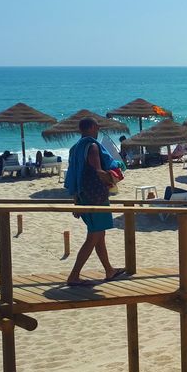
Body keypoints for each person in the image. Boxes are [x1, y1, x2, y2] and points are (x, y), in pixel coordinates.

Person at [64, 117, 126, 286]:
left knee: (99, 235)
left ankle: (109, 270)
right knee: (93, 236)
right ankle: (74, 275)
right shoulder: (92, 146)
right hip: (95, 197)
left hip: (84, 196)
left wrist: (76, 199)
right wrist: (114, 177)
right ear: (91, 127)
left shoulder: (75, 148)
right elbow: (98, 170)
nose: (98, 129)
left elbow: (73, 174)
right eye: (97, 126)